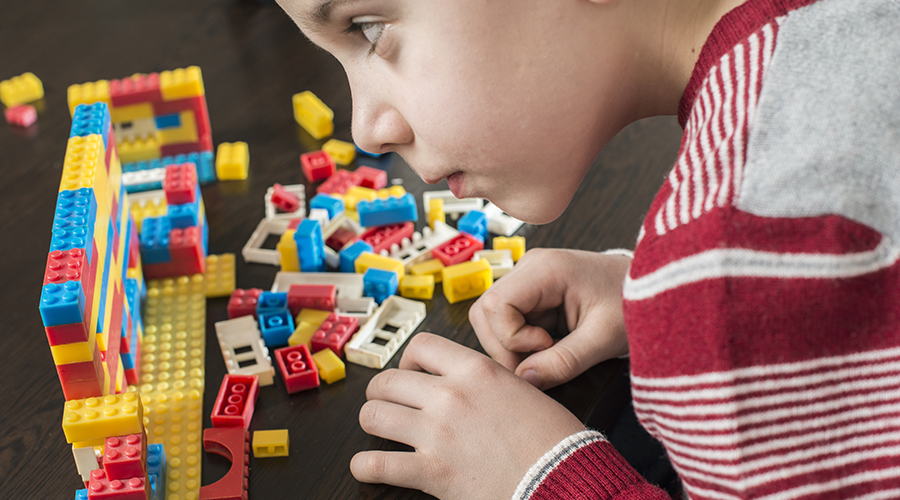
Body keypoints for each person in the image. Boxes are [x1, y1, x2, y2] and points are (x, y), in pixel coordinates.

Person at [277, 0, 900, 498]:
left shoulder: (726, 276)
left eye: (368, 28)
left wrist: (544, 480)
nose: (365, 128)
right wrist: (659, 293)